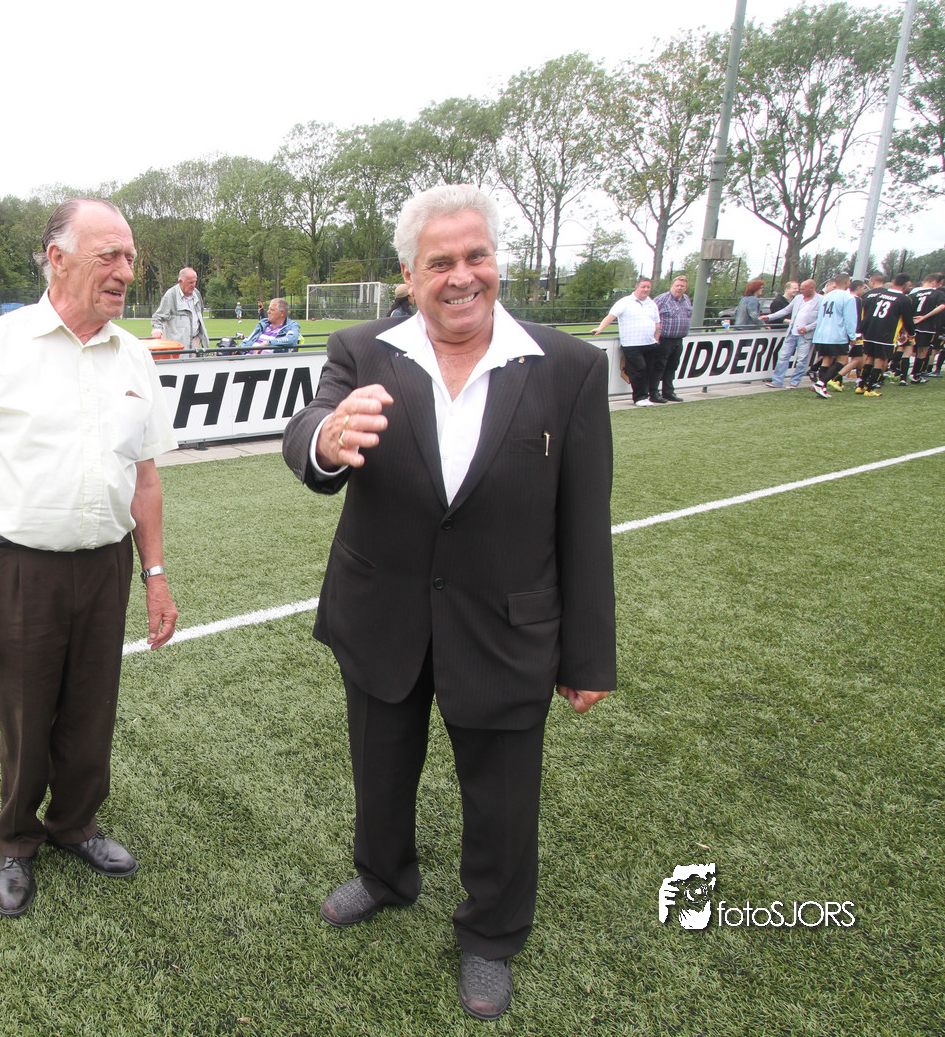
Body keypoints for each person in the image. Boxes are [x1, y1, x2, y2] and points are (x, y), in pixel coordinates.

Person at [282, 184, 615, 1023]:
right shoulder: (362, 349)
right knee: (378, 765)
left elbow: (584, 524)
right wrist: (323, 440)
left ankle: (491, 932)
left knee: (502, 797)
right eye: (440, 262)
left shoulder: (568, 366)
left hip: (505, 626)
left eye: (476, 256)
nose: (461, 276)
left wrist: (587, 655)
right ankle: (382, 874)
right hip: (380, 613)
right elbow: (312, 426)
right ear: (409, 274)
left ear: (496, 260)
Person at [0, 198, 180, 919]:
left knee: (91, 709)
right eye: (109, 255)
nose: (126, 271)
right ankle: (16, 840)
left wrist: (155, 575)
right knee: (23, 714)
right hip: (16, 568)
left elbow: (144, 478)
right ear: (57, 258)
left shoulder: (134, 355)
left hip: (105, 566)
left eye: (130, 257)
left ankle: (76, 823)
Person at [591, 278, 664, 405]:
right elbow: (611, 316)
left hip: (650, 343)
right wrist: (600, 328)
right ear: (636, 287)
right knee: (639, 370)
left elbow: (657, 323)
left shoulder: (652, 304)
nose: (646, 289)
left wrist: (657, 337)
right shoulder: (625, 302)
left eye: (648, 287)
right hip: (632, 344)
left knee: (648, 371)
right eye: (643, 287)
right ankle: (639, 398)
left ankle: (645, 396)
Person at [854, 273, 916, 397]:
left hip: (871, 331)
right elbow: (908, 319)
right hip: (886, 333)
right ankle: (871, 388)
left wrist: (861, 330)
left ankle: (861, 385)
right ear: (906, 285)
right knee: (880, 360)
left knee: (870, 358)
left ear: (894, 281)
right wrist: (911, 333)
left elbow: (867, 314)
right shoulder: (904, 299)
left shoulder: (879, 295)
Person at [807, 274, 859, 398]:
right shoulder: (848, 297)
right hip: (837, 334)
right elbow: (850, 319)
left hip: (821, 334)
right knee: (842, 360)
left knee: (827, 360)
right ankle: (820, 383)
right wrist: (852, 336)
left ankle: (822, 389)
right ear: (847, 283)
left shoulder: (826, 296)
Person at [767, 280, 821, 389]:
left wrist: (807, 328)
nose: (801, 291)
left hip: (806, 335)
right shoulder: (798, 298)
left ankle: (794, 382)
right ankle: (777, 381)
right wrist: (769, 317)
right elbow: (786, 310)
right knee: (783, 356)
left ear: (812, 288)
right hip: (792, 332)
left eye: (803, 289)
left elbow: (821, 319)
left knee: (801, 360)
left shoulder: (821, 300)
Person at [905, 272, 945, 382]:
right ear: (935, 282)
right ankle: (916, 375)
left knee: (907, 349)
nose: (940, 286)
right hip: (926, 326)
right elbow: (942, 306)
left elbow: (906, 309)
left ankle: (901, 375)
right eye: (940, 283)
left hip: (911, 324)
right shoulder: (938, 293)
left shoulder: (914, 294)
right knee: (923, 351)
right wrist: (924, 317)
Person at [151, 267, 208, 352]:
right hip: (177, 346)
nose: (193, 285)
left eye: (195, 281)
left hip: (195, 342)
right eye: (190, 282)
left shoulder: (197, 294)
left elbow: (200, 315)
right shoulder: (171, 295)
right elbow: (158, 317)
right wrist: (157, 330)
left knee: (196, 360)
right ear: (180, 282)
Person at [653, 276, 692, 401]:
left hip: (678, 340)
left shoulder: (686, 299)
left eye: (682, 286)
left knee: (672, 366)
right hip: (663, 339)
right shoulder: (662, 299)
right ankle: (653, 392)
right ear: (672, 286)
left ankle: (668, 392)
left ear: (686, 288)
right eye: (677, 285)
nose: (679, 288)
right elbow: (651, 315)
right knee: (659, 366)